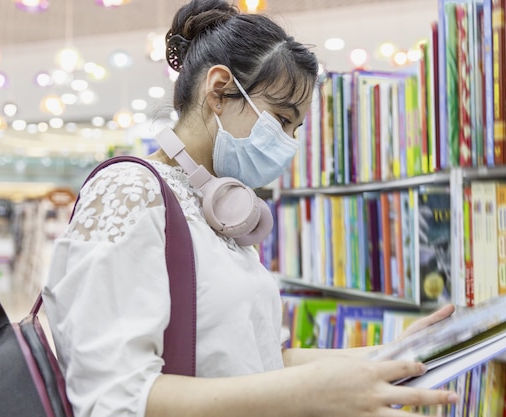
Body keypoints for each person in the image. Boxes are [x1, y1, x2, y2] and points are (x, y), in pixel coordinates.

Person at [42, 1, 459, 416]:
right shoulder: (129, 191)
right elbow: (114, 397)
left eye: (295, 129)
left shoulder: (214, 203)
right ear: (219, 90)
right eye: (280, 119)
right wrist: (310, 393)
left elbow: (255, 361)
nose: (289, 144)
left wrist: (388, 357)